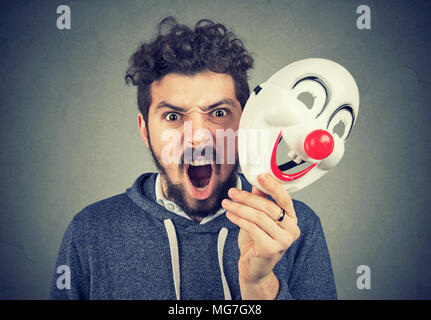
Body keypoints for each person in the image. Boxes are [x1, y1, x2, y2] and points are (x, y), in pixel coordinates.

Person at [50, 17, 337, 300]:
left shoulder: (295, 227)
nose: (198, 137)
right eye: (173, 116)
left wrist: (261, 286)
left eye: (219, 113)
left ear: (248, 122)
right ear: (145, 130)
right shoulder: (90, 230)